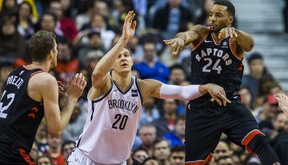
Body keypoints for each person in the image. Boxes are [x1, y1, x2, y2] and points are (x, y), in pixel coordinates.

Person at [67, 10, 230, 165]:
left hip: (117, 161)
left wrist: (206, 87)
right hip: (87, 157)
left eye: (126, 55)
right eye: (118, 56)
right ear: (111, 64)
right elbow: (96, 74)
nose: (123, 58)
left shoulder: (144, 87)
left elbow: (181, 92)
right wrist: (123, 40)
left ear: (132, 61)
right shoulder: (104, 84)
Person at [164, 0, 280, 165]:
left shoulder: (235, 40)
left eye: (218, 15)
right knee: (194, 162)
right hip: (200, 108)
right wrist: (181, 40)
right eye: (211, 14)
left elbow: (250, 44)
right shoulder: (201, 32)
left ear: (230, 19)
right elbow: (188, 34)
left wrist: (236, 33)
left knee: (260, 142)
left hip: (229, 105)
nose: (212, 18)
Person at [0, 30, 87, 164]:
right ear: (51, 53)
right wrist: (72, 98)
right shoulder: (46, 80)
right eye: (56, 48)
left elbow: (21, 102)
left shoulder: (15, 72)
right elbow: (55, 130)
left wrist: (45, 95)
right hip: (11, 150)